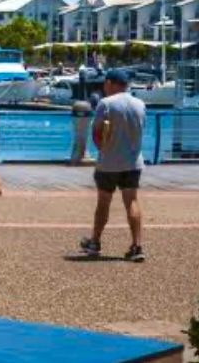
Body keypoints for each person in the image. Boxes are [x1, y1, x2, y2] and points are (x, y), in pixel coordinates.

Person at [79, 68, 146, 262]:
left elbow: (97, 133)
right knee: (131, 201)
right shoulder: (140, 104)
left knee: (104, 203)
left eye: (104, 83)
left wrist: (102, 147)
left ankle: (95, 242)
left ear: (110, 83)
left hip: (108, 162)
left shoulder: (105, 104)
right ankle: (137, 245)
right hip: (133, 162)